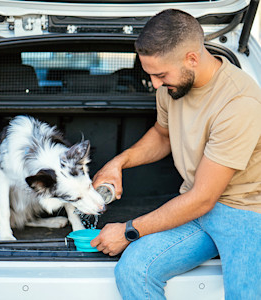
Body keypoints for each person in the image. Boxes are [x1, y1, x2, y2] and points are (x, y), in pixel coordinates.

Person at [91, 8, 261, 300]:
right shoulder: (171, 87)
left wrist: (129, 231)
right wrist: (118, 163)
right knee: (134, 271)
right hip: (195, 206)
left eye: (160, 75)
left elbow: (204, 197)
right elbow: (162, 134)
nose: (155, 84)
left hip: (245, 212)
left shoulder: (240, 102)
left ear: (191, 59)